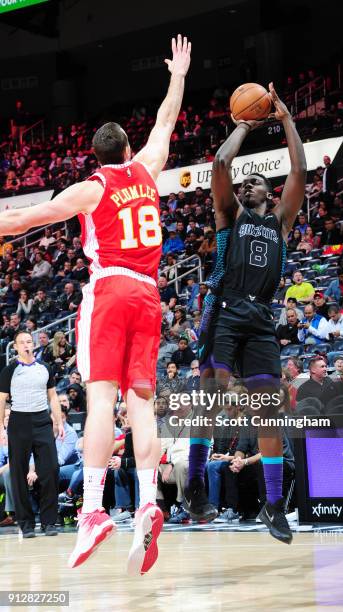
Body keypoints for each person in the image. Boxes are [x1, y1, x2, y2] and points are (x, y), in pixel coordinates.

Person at [0, 35, 191, 575]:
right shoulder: (149, 168)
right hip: (152, 293)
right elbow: (165, 123)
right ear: (128, 151)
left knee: (102, 397)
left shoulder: (93, 186)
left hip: (109, 289)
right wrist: (176, 75)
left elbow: (23, 221)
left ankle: (91, 510)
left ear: (98, 157)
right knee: (144, 405)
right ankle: (150, 500)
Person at [185, 83, 306, 545]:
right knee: (210, 398)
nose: (246, 182)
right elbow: (220, 164)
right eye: (245, 181)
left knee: (268, 411)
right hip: (225, 309)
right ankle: (196, 486)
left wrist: (286, 120)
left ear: (270, 193)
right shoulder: (228, 214)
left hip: (260, 319)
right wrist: (243, 126)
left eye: (254, 181)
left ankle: (274, 505)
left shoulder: (280, 221)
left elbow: (299, 166)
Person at [0, 331, 64, 538]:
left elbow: (53, 397)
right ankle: (26, 523)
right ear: (16, 347)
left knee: (51, 469)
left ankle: (48, 522)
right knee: (18, 473)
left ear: (33, 345)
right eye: (22, 342)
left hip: (42, 421)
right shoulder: (9, 370)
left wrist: (59, 421)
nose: (26, 345)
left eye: (29, 341)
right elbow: (1, 400)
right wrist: (1, 426)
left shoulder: (45, 368)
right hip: (19, 422)